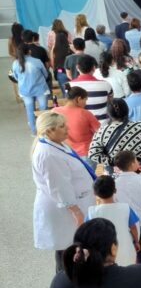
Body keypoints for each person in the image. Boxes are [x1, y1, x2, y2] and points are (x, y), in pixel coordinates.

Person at [32, 112, 96, 272]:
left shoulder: (57, 144)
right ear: (49, 131)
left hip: (74, 202)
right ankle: (66, 287)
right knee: (67, 253)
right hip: (66, 209)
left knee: (70, 248)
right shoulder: (48, 155)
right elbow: (59, 187)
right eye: (61, 126)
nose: (67, 128)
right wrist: (76, 212)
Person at [87, 99, 141, 173]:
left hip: (116, 175)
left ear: (109, 113)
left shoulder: (102, 131)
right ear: (127, 110)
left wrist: (113, 162)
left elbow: (93, 154)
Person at [12, 44, 50, 134]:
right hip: (40, 88)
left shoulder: (15, 63)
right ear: (29, 51)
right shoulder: (37, 61)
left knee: (30, 110)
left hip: (25, 90)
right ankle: (43, 130)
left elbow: (16, 77)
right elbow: (45, 74)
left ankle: (34, 131)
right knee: (43, 109)